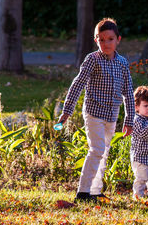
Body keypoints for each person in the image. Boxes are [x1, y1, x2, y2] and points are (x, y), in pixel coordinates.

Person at [57, 18, 135, 202]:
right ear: (95, 40)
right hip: (94, 113)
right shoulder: (92, 60)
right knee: (96, 149)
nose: (105, 43)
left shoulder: (122, 63)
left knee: (104, 151)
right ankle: (83, 192)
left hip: (112, 114)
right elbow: (78, 84)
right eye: (101, 39)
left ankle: (95, 191)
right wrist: (67, 111)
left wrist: (129, 120)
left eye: (110, 39)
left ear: (118, 40)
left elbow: (128, 92)